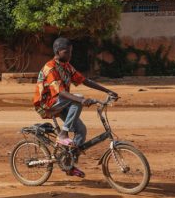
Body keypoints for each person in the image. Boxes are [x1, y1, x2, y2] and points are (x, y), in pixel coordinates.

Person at [33, 37, 118, 177]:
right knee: (77, 98)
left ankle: (69, 164)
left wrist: (107, 91)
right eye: (66, 52)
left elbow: (85, 80)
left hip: (60, 102)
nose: (69, 55)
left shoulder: (67, 66)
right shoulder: (50, 67)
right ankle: (63, 134)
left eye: (70, 52)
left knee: (81, 130)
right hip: (46, 104)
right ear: (57, 52)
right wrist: (82, 99)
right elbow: (60, 91)